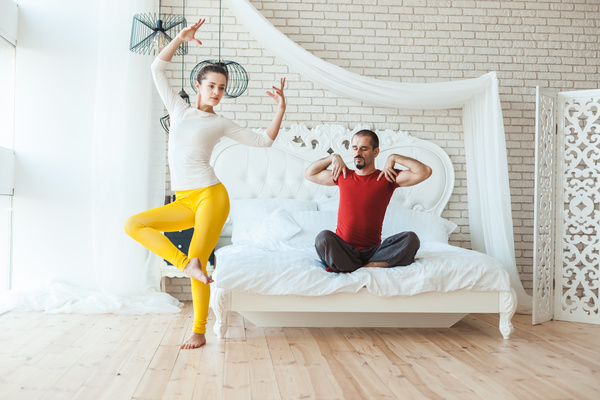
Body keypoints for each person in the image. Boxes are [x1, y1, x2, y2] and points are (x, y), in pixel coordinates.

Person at [124, 18, 286, 349]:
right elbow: (157, 68)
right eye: (211, 85)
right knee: (134, 224)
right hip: (184, 200)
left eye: (222, 88)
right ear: (198, 85)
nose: (217, 92)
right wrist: (181, 37)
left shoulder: (221, 122)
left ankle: (198, 331)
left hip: (212, 197)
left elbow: (264, 141)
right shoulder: (179, 110)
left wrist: (280, 110)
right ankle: (187, 265)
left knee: (200, 254)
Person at [304, 129, 432, 273]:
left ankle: (359, 267)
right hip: (344, 250)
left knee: (411, 239)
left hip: (374, 253)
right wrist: (332, 157)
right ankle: (365, 265)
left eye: (364, 148)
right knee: (323, 238)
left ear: (375, 152)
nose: (358, 152)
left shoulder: (386, 177)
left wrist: (394, 157)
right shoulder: (343, 175)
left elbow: (425, 171)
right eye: (355, 148)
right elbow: (309, 173)